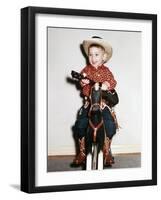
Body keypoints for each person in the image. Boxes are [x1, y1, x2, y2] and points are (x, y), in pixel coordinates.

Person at [73, 36, 118, 166]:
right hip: (89, 104)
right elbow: (83, 86)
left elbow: (113, 82)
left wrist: (107, 84)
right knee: (80, 124)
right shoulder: (86, 71)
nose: (93, 58)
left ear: (104, 57)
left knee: (110, 124)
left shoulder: (106, 71)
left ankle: (107, 149)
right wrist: (83, 81)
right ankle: (82, 151)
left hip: (103, 105)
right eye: (90, 55)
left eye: (97, 54)